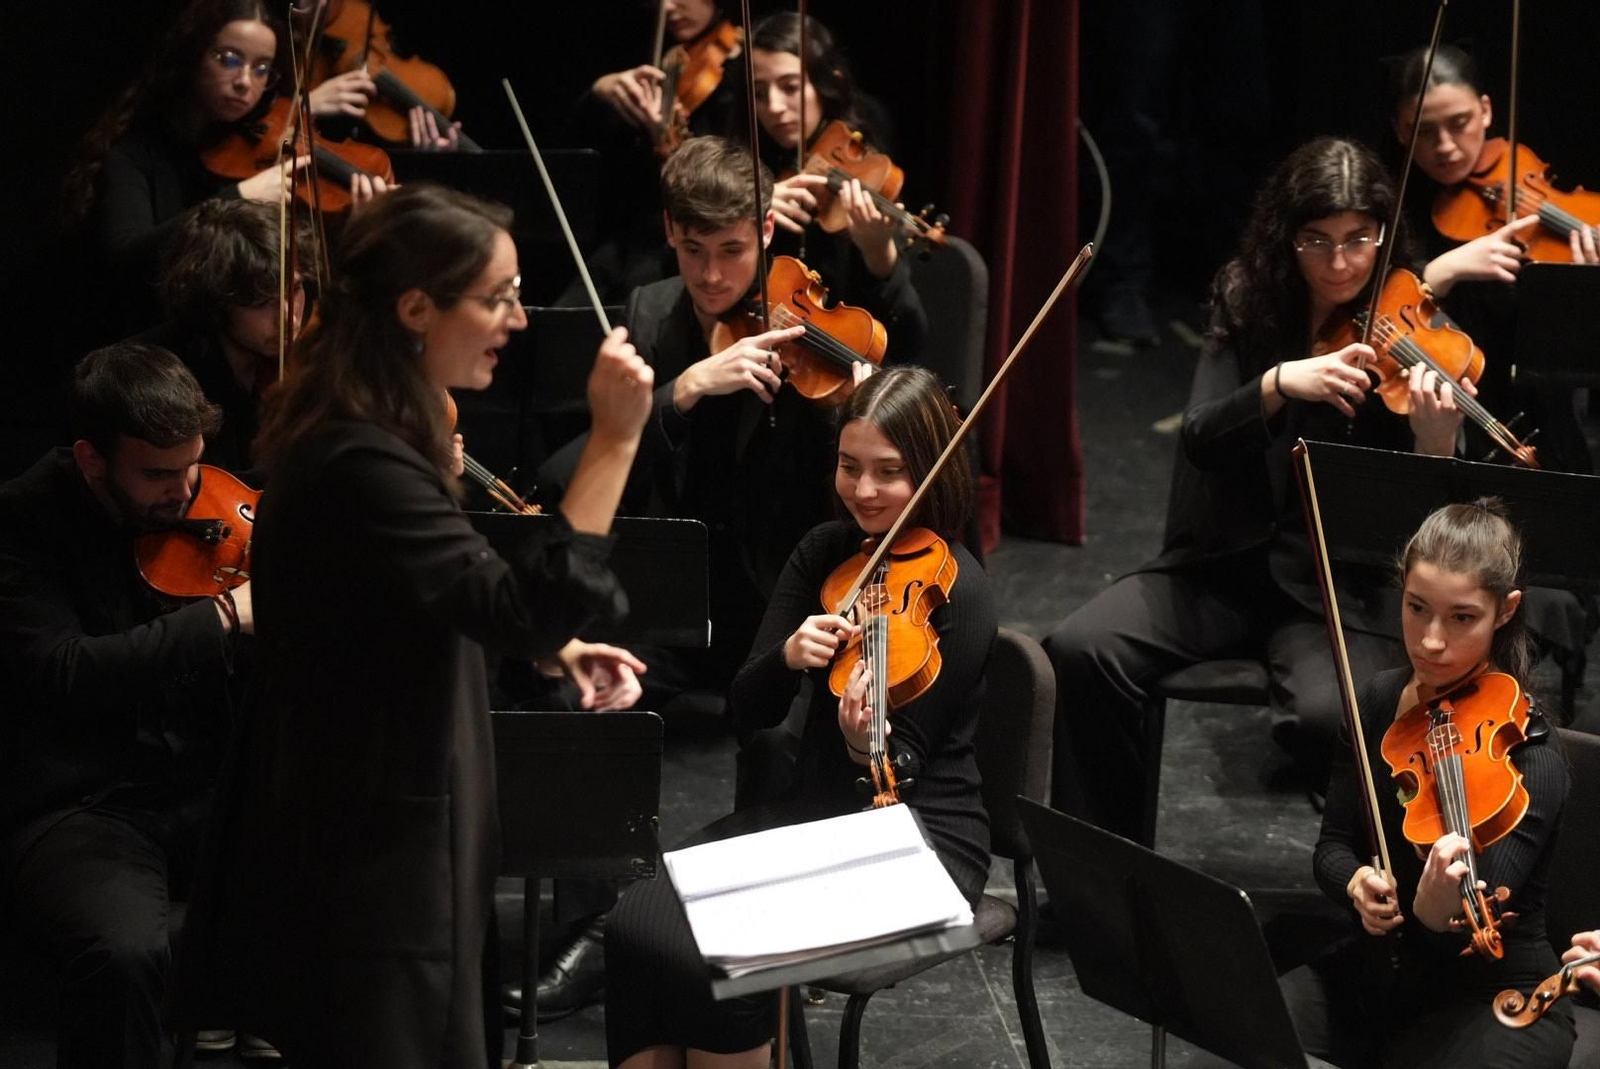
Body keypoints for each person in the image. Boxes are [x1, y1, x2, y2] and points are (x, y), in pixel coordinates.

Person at [167, 183, 654, 1066]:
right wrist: (614, 441)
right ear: (417, 307)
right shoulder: (359, 458)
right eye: (497, 297)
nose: (516, 319)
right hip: (372, 852)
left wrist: (557, 643)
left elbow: (432, 596)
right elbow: (515, 603)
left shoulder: (373, 427)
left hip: (385, 819)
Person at [1044, 137, 1477, 843]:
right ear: (1288, 235)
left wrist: (1435, 441)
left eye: (1358, 240)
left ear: (1382, 234)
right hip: (1222, 569)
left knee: (1328, 717)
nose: (1339, 263)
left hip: (1333, 589)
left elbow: (1440, 524)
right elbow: (1201, 433)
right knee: (1081, 645)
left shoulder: (1416, 330)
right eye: (1318, 241)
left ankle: (1361, 887)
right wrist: (1278, 383)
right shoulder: (1250, 299)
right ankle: (1108, 864)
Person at [603, 364, 995, 1068]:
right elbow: (743, 711)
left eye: (890, 472)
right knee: (637, 920)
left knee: (725, 952)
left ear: (934, 473)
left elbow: (900, 766)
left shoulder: (958, 589)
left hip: (919, 838)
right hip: (809, 813)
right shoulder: (823, 552)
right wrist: (786, 655)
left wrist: (859, 740)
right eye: (850, 467)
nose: (865, 492)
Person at [0, 342, 248, 1069]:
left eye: (194, 465)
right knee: (124, 950)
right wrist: (223, 619)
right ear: (91, 459)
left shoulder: (207, 506)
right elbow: (62, 671)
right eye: (159, 474)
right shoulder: (20, 524)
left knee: (361, 883)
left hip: (204, 784)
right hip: (79, 803)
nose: (184, 491)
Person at [1280, 498, 1573, 1068]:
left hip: (1492, 996)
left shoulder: (1532, 754)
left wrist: (1436, 908)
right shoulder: (1375, 701)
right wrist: (1355, 883)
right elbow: (1333, 845)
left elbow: (1468, 925)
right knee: (1250, 1030)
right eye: (1417, 609)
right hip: (1381, 973)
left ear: (1505, 610)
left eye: (1462, 618)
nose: (1431, 641)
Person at [60, 0, 389, 339]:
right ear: (193, 55)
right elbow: (125, 260)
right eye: (229, 59)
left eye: (262, 68)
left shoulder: (256, 144)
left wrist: (356, 232)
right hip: (152, 346)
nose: (245, 81)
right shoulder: (134, 152)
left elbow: (303, 274)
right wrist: (239, 196)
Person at [1387, 43, 1594, 475]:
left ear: (1485, 111)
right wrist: (1444, 270)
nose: (1445, 146)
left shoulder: (1518, 173)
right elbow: (1375, 313)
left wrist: (1580, 290)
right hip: (1455, 422)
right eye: (1424, 130)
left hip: (1550, 419)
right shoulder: (1392, 206)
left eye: (1459, 123)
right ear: (1401, 131)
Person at [747, 12, 928, 365]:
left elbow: (908, 341)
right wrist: (751, 205)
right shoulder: (749, 159)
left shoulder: (863, 154)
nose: (774, 107)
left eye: (790, 87)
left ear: (826, 83)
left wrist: (879, 255)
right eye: (758, 92)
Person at [140, 197, 310, 475]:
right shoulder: (167, 379)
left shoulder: (309, 347)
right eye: (260, 302)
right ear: (216, 302)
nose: (290, 318)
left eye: (295, 288)